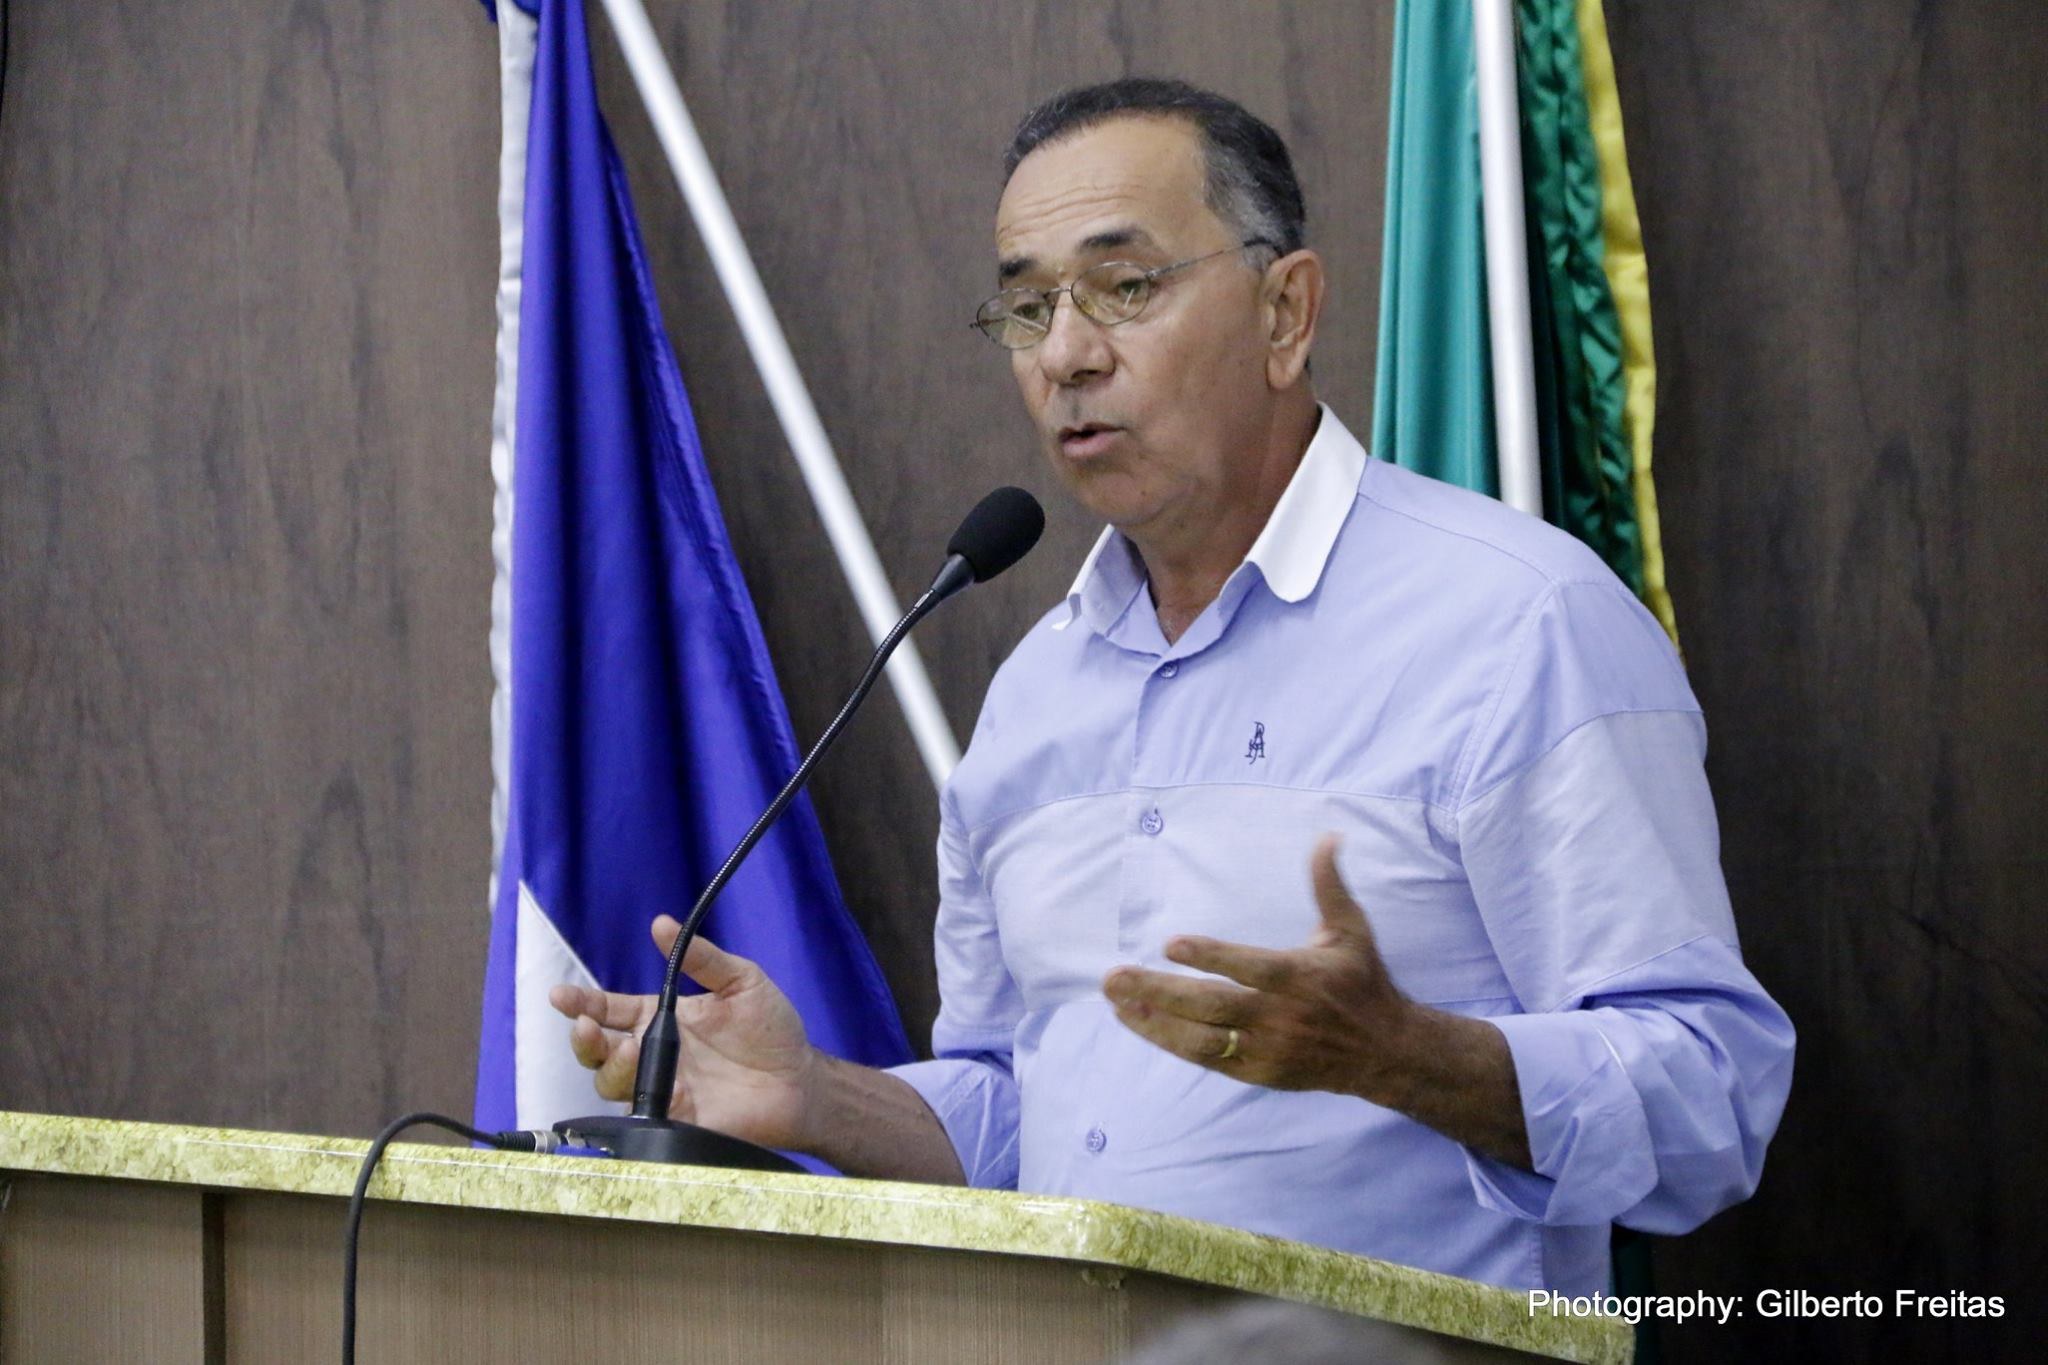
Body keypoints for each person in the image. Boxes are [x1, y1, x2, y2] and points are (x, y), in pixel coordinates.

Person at [549, 78, 1794, 1296]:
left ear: (1283, 313)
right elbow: (1027, 1120)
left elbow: (1710, 1093)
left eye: (1125, 287)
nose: (1065, 355)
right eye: (1026, 307)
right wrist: (818, 1097)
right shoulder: (1035, 698)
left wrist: (1410, 1060)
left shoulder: (1517, 622)